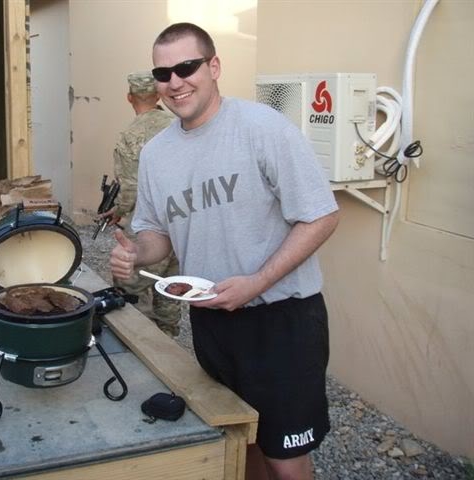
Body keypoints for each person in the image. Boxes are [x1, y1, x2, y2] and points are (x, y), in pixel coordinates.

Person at [109, 23, 340, 480]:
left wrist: (257, 282)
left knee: (286, 460)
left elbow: (321, 216)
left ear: (213, 66)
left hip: (281, 321)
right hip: (211, 320)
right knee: (240, 444)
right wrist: (135, 252)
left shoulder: (262, 128)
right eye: (163, 73)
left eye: (186, 67)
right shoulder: (155, 154)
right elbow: (159, 236)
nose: (175, 82)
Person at [101, 71, 181, 337]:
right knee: (170, 286)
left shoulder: (131, 134)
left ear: (129, 98)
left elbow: (130, 187)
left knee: (130, 288)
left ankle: (141, 344)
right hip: (181, 221)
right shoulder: (179, 125)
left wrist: (119, 210)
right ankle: (168, 340)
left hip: (148, 227)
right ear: (158, 95)